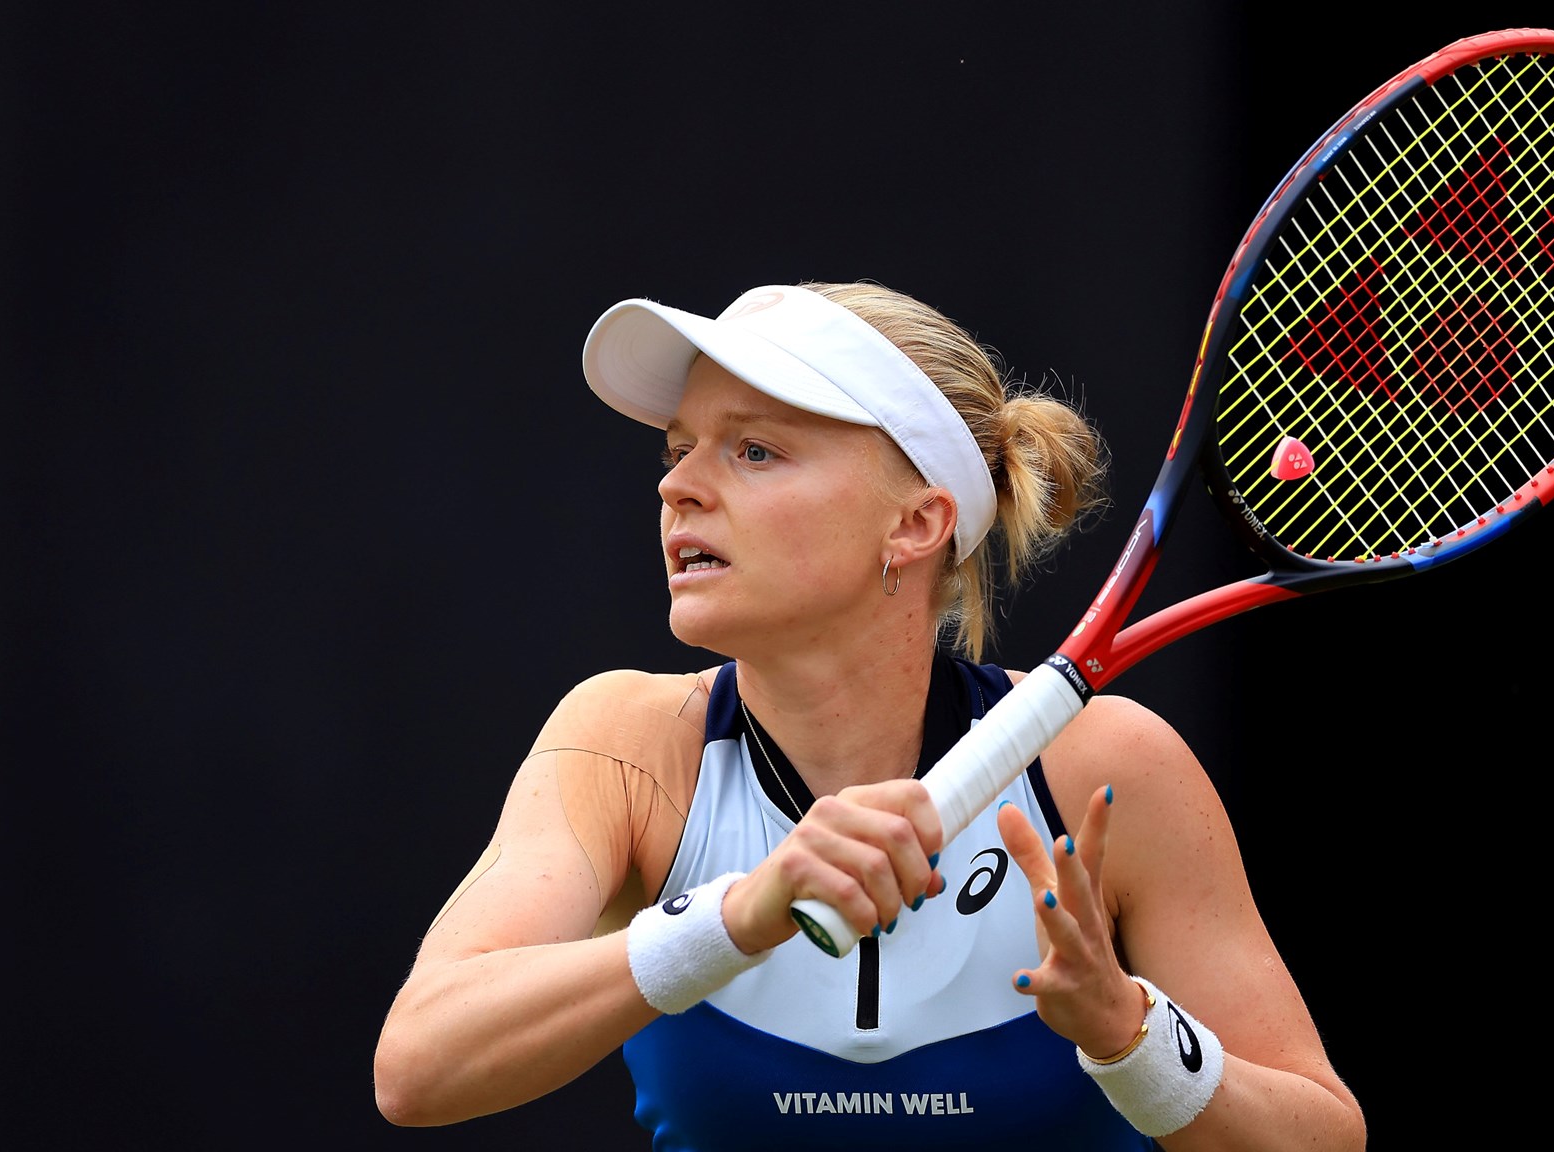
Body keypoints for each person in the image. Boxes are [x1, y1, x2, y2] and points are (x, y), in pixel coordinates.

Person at [373, 281, 1366, 1151]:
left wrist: (1132, 1037)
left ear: (915, 522)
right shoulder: (629, 748)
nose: (677, 485)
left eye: (754, 450)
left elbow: (1318, 1135)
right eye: (678, 451)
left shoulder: (1106, 767)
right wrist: (734, 915)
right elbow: (417, 1066)